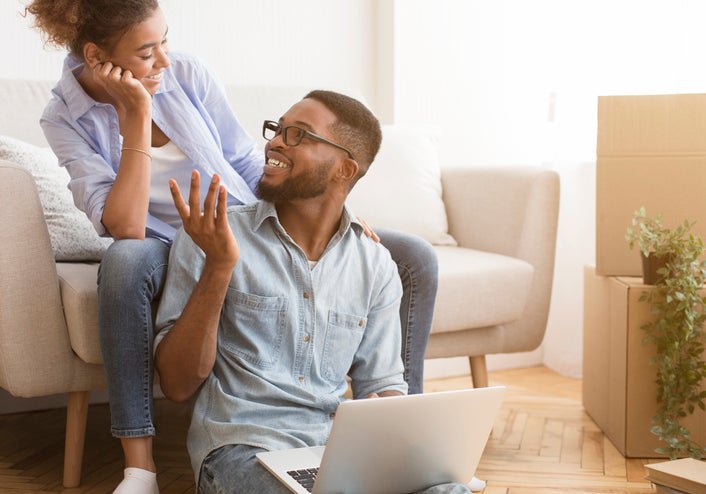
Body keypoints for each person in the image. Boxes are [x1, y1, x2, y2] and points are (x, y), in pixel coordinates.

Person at [26, 2, 438, 492]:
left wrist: (316, 214)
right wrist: (135, 113)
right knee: (124, 262)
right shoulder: (64, 117)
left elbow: (244, 157)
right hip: (160, 240)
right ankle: (140, 466)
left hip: (238, 218)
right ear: (97, 57)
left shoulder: (187, 74)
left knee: (411, 255)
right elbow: (125, 225)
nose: (163, 60)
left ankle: (403, 427)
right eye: (146, 51)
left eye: (164, 41)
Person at [154, 90, 469, 494]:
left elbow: (382, 383)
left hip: (338, 454)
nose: (276, 142)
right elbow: (177, 385)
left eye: (299, 135)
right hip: (243, 451)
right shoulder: (212, 237)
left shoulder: (374, 265)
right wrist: (219, 268)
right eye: (278, 129)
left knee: (450, 491)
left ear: (344, 169)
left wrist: (394, 431)